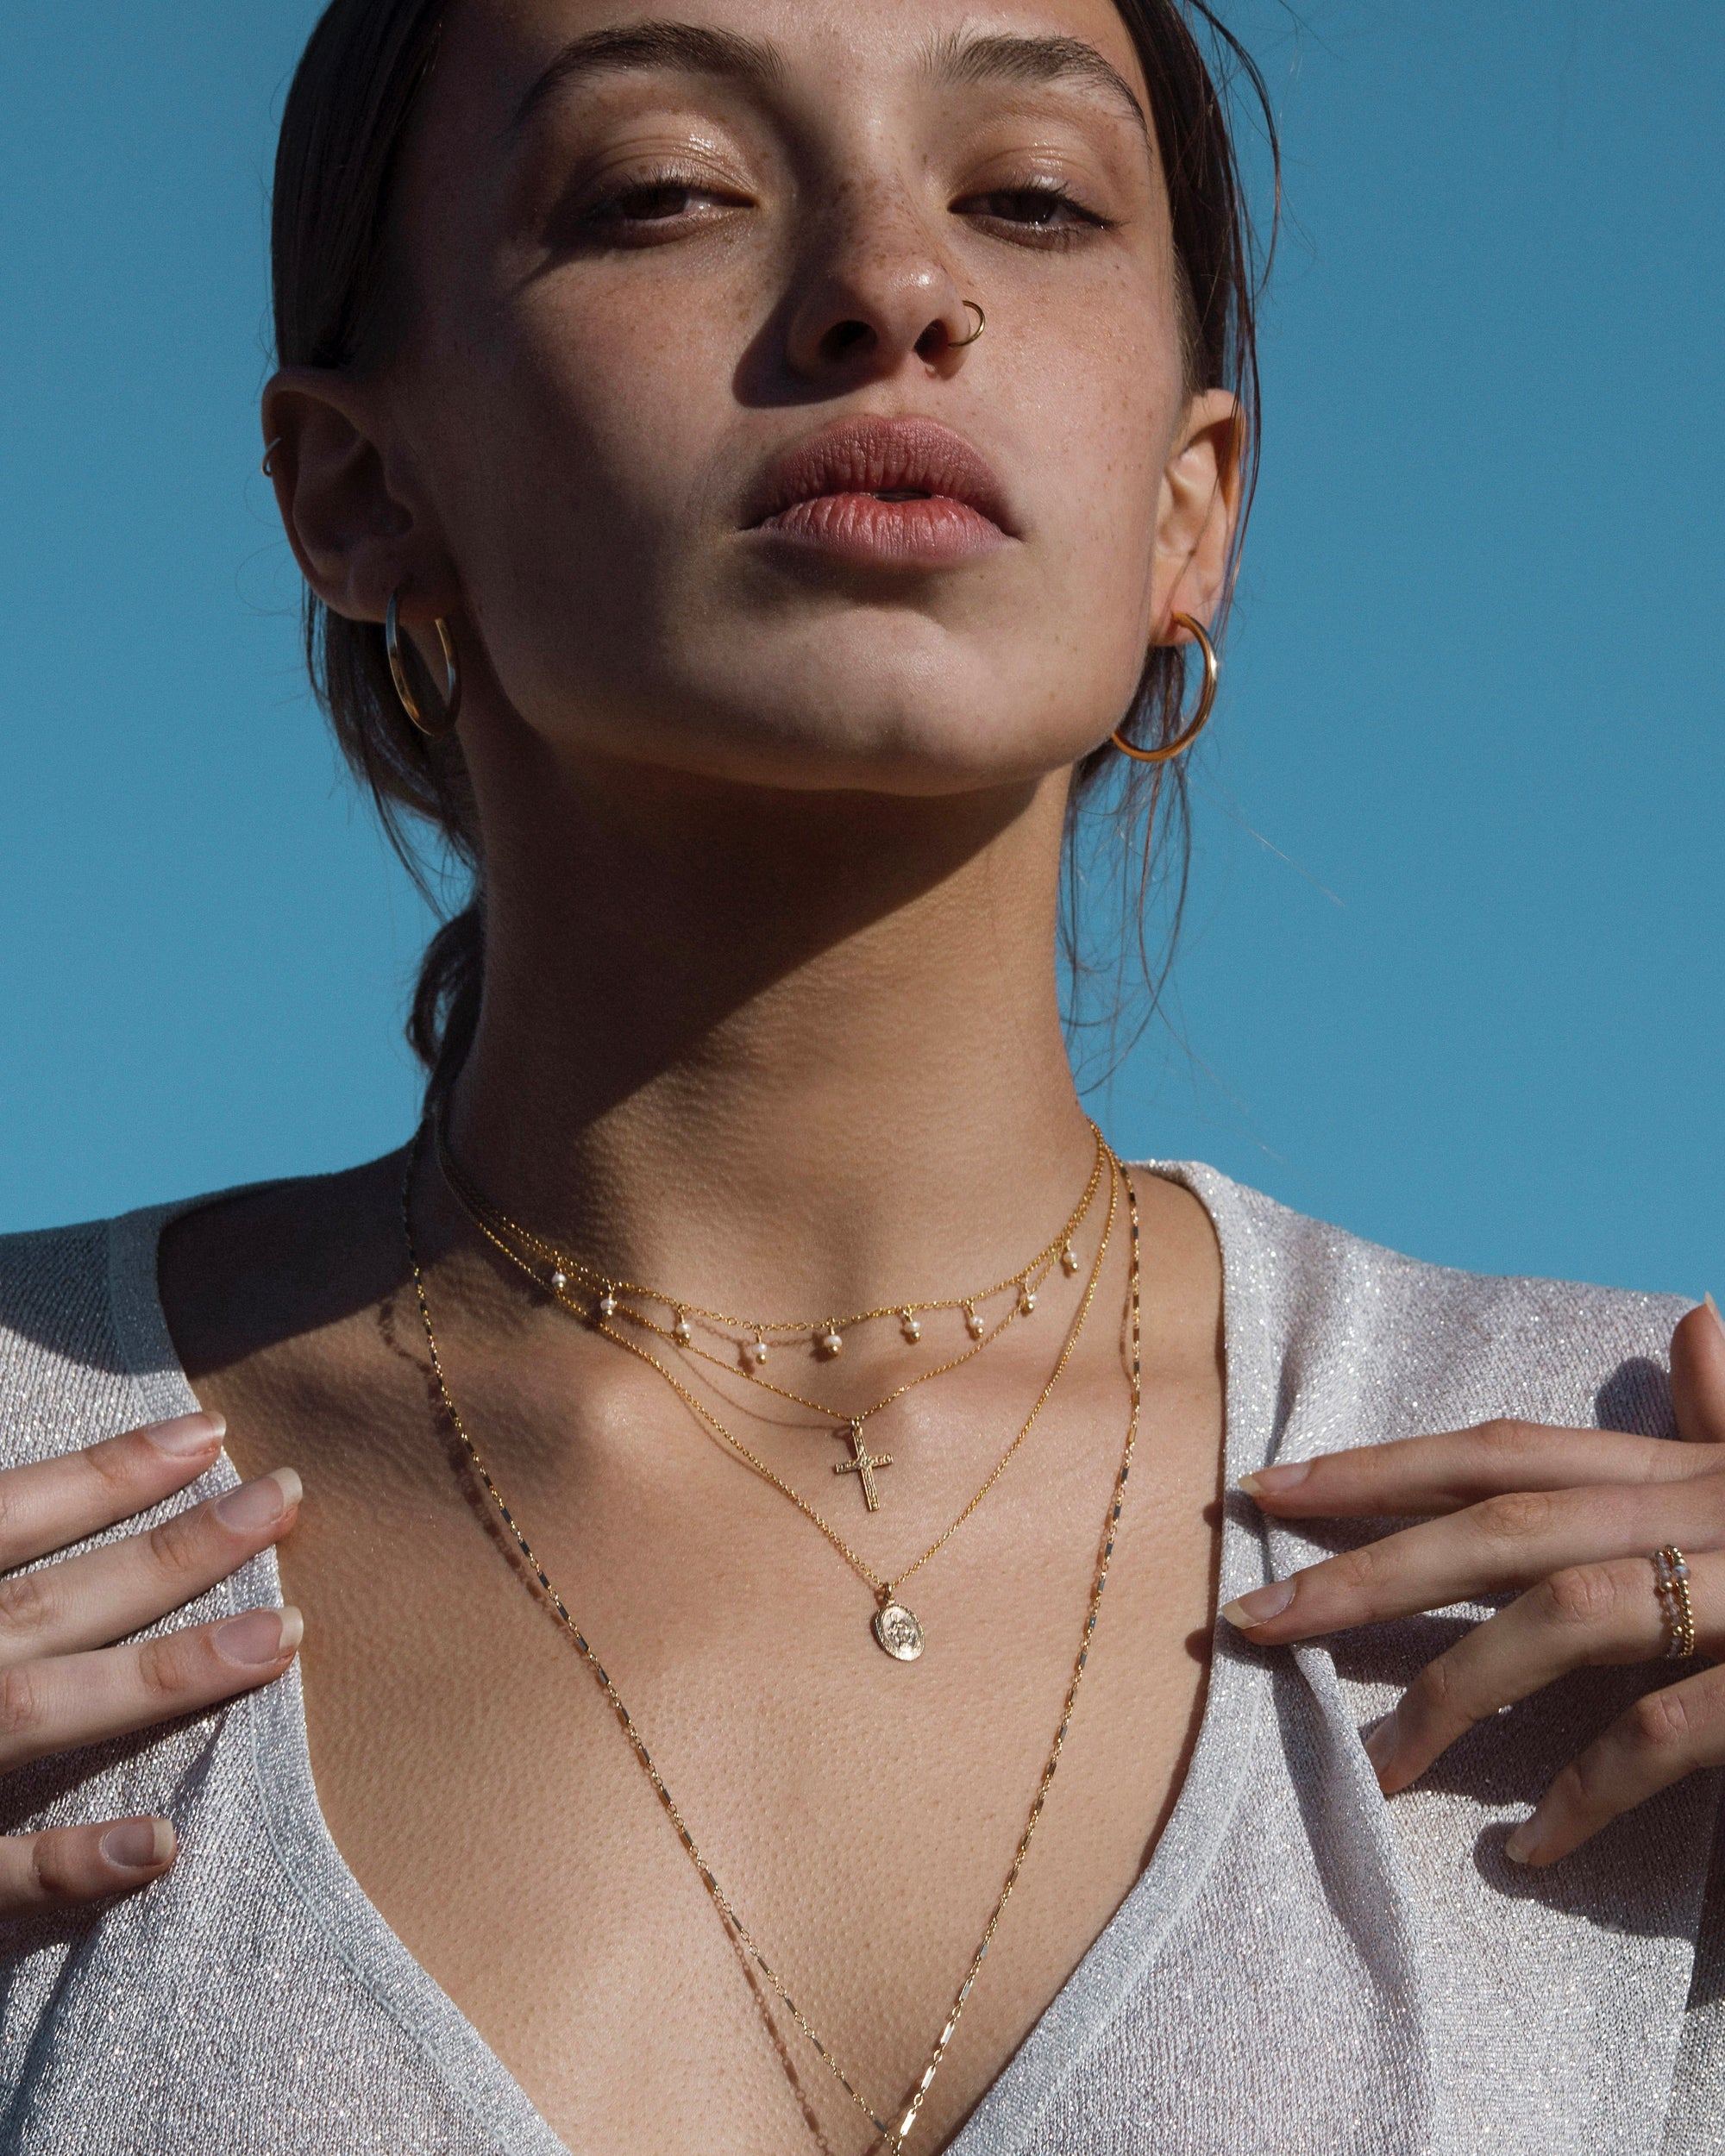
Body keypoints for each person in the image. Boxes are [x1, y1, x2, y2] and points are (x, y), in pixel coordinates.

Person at [0, 0, 1719, 2149]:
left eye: (1029, 198)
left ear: (1191, 511)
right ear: (360, 492)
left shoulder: (1631, 1506)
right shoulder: (21, 1476)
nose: (897, 291)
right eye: (665, 193)